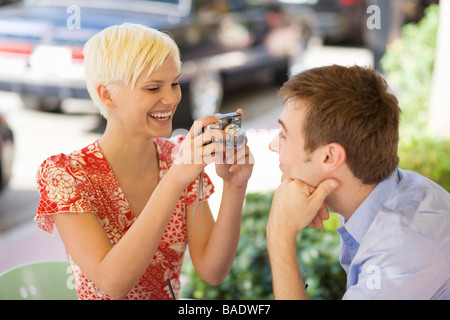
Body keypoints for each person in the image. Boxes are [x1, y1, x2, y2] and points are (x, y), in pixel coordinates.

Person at [35, 23, 253, 300]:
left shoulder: (179, 157)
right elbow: (112, 284)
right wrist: (175, 179)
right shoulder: (67, 175)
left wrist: (235, 186)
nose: (171, 97)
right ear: (106, 94)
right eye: (153, 88)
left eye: (174, 83)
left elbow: (212, 271)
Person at [267, 64, 450, 299]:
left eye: (284, 135)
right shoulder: (387, 193)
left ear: (329, 157)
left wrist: (279, 235)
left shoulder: (403, 247)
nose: (272, 145)